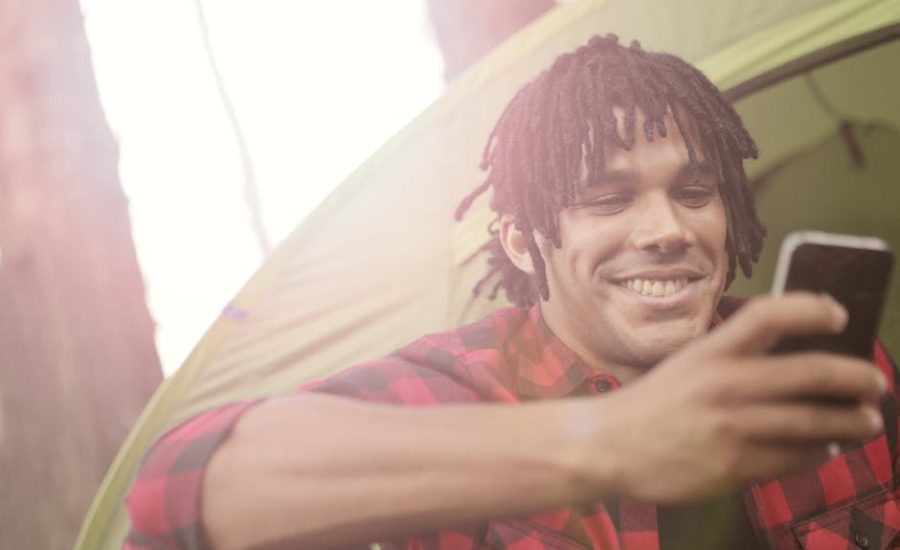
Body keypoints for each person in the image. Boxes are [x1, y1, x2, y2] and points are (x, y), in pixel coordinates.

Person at [124, 35, 899, 550]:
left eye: (694, 192)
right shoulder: (458, 390)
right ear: (524, 243)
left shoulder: (825, 371)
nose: (668, 228)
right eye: (608, 199)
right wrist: (608, 440)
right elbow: (179, 487)